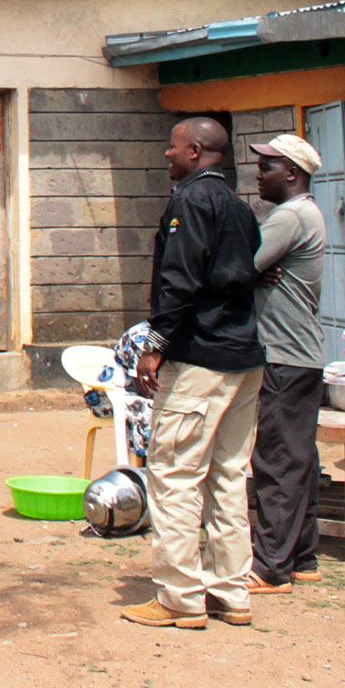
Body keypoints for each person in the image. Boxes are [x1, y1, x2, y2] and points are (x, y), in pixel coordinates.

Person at [122, 117, 265, 630]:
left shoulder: (190, 202)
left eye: (175, 147)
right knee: (228, 477)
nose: (168, 154)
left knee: (176, 475)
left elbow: (178, 282)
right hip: (244, 360)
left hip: (201, 359)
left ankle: (180, 597)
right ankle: (232, 592)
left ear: (197, 151)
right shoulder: (241, 208)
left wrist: (153, 346)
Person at [245, 133, 327, 592]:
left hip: (284, 356)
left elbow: (236, 269)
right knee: (299, 458)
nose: (259, 174)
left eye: (268, 167)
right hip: (303, 356)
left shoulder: (289, 216)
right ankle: (302, 556)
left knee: (276, 459)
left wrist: (250, 270)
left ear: (292, 174)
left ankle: (270, 567)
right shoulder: (306, 214)